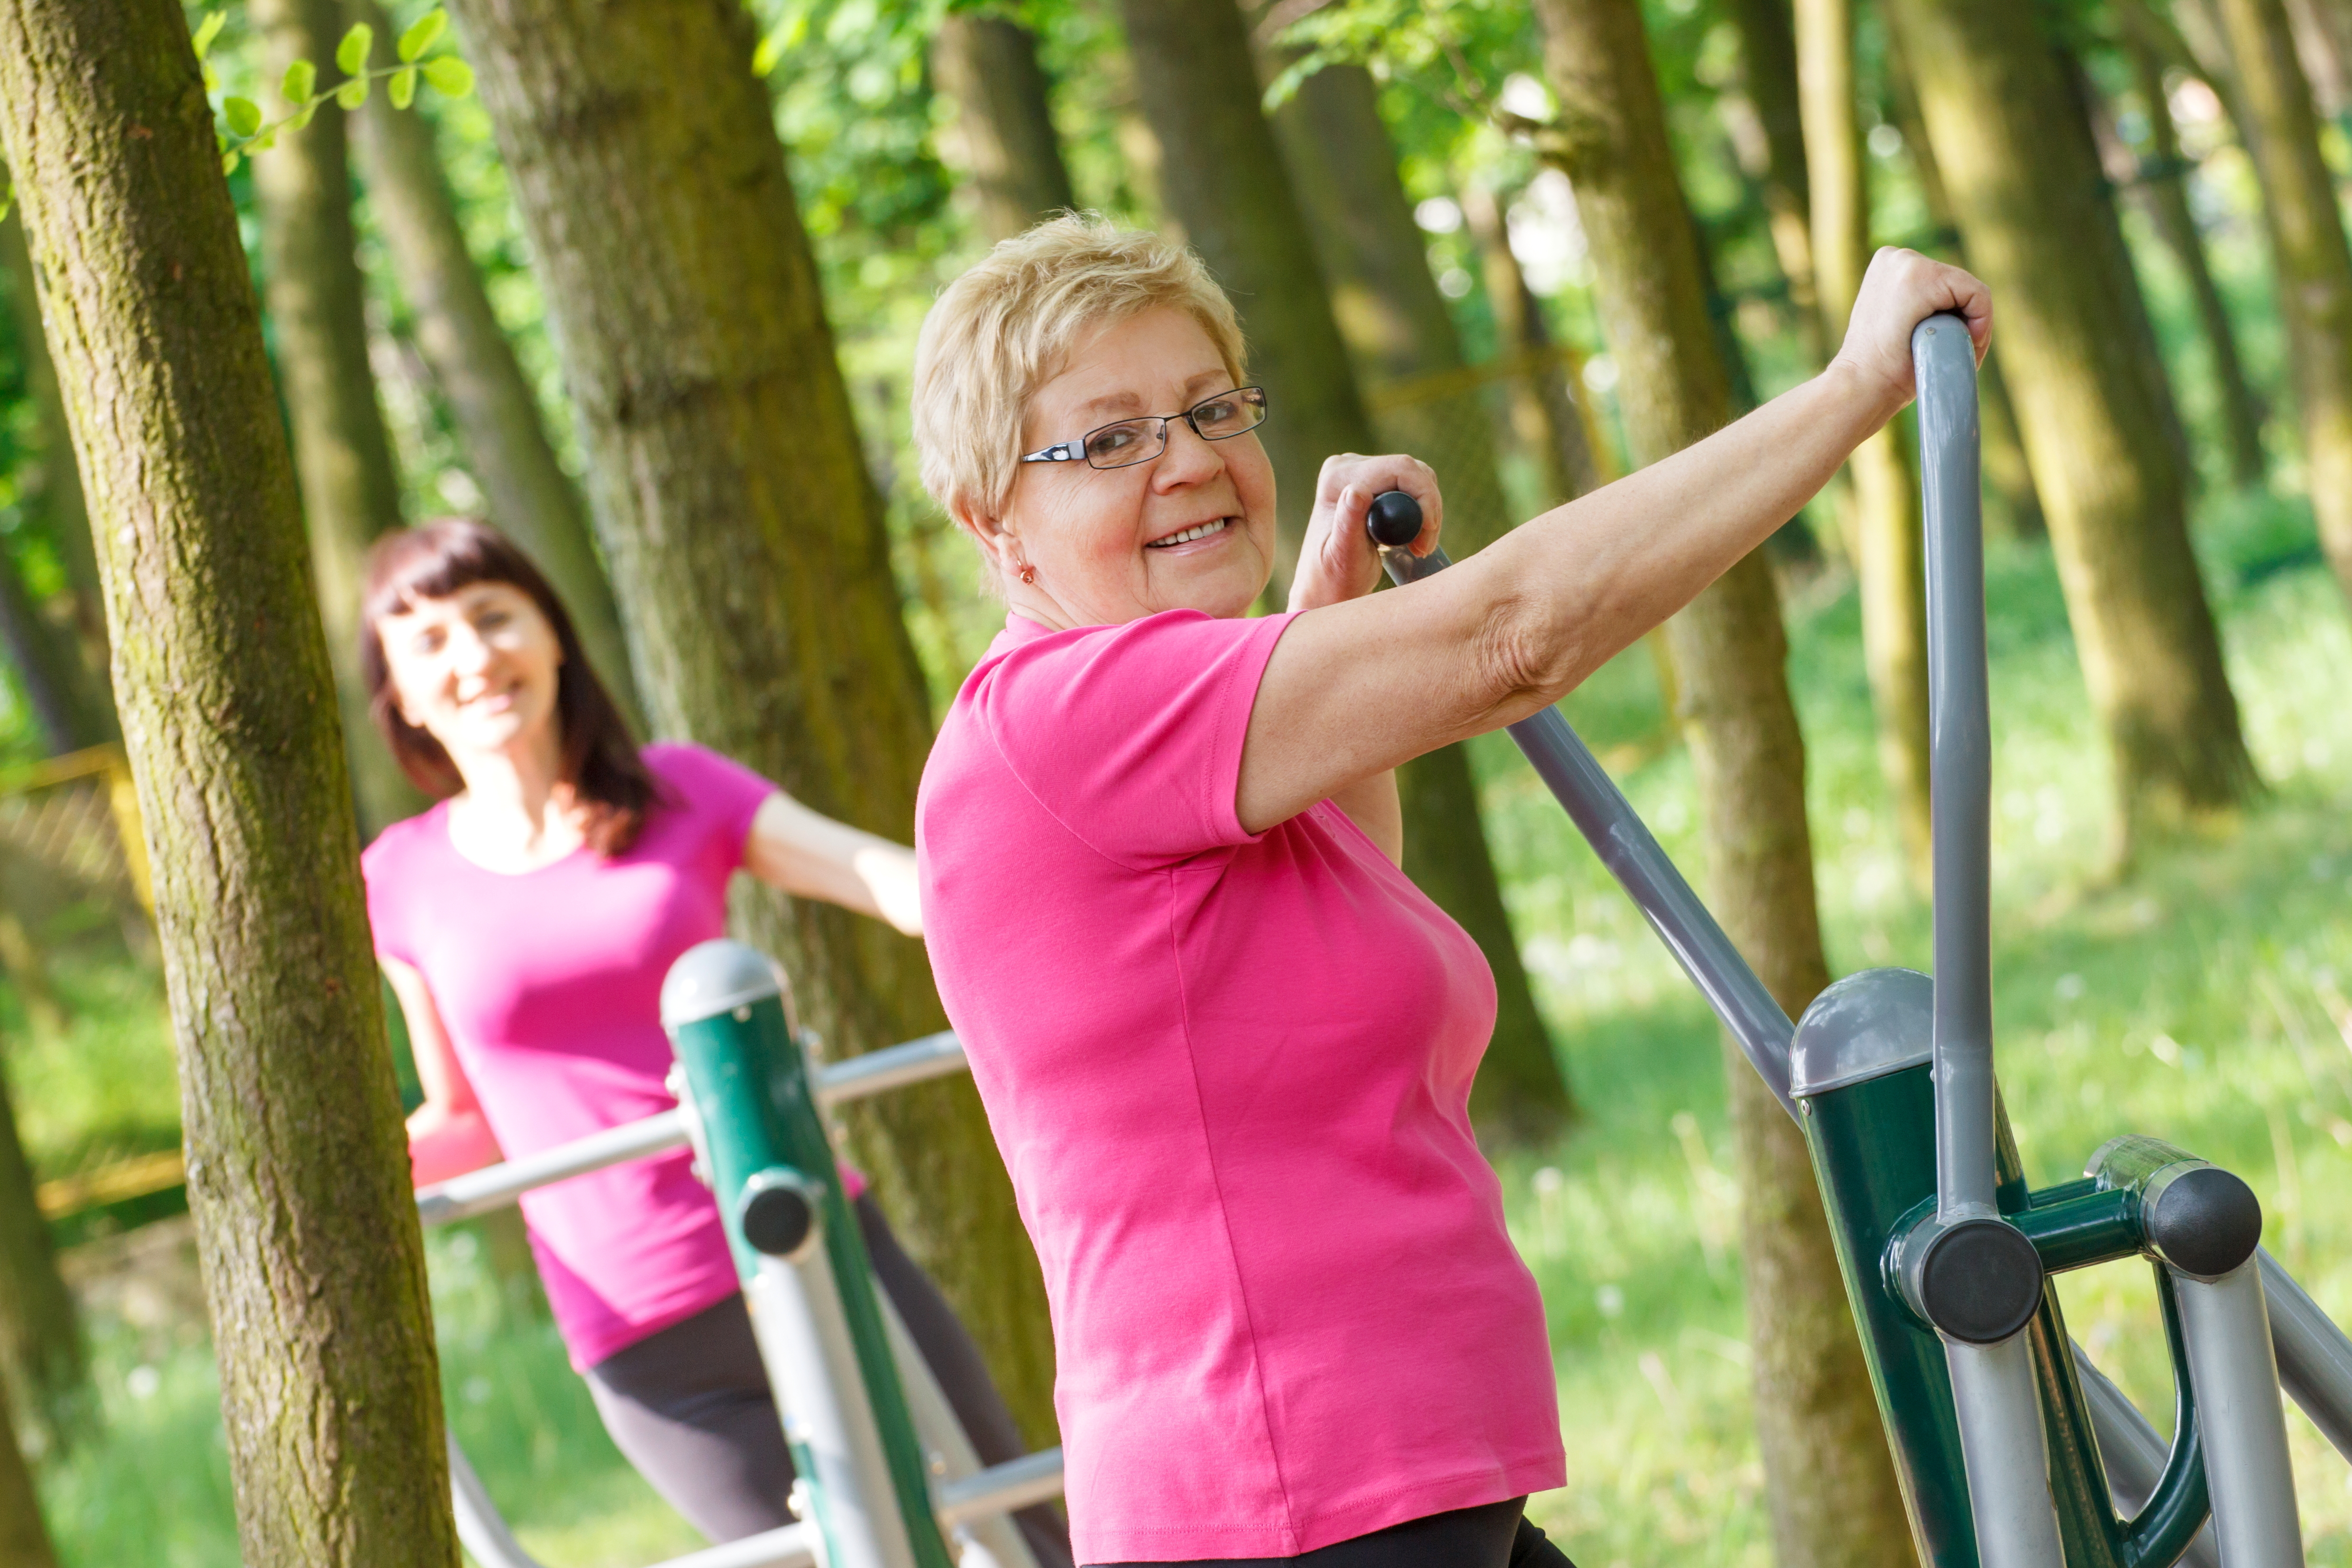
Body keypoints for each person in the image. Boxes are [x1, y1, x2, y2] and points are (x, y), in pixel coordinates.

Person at [909, 217, 1991, 1567]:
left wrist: (1325, 605)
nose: (1187, 459)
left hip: (1387, 1499)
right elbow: (1512, 637)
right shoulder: (1067, 714)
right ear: (992, 519)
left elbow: (1331, 892)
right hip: (1293, 1507)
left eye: (1208, 409)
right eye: (1109, 438)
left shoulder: (1173, 740)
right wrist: (1853, 388)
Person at [357, 517, 1071, 1564]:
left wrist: (1059, 887)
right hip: (646, 1337)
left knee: (1015, 1533)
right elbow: (464, 1116)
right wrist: (315, 1200)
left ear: (551, 634)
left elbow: (888, 881)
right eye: (428, 642)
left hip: (816, 1243)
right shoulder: (397, 877)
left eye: (492, 617)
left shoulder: (674, 787)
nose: (473, 657)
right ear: (403, 699)